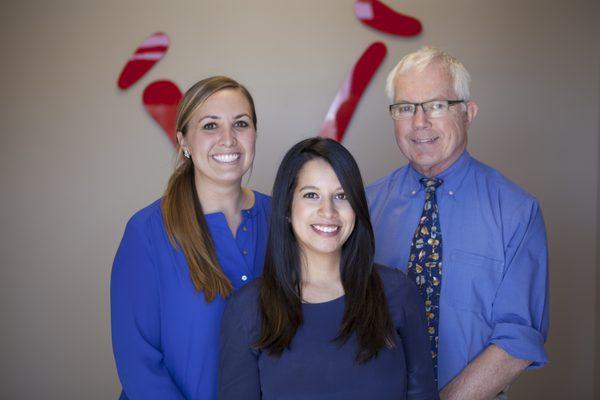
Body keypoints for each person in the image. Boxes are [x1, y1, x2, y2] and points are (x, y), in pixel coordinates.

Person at [366, 46, 549, 399]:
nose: (420, 122)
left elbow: (517, 337)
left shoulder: (515, 212)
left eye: (437, 105)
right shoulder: (364, 208)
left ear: (468, 112)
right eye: (406, 108)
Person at [219, 137, 438, 400]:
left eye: (341, 196)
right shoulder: (247, 310)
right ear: (287, 208)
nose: (328, 211)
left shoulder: (398, 293)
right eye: (311, 195)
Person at [111, 76, 271, 400]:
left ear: (254, 134)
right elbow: (139, 368)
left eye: (241, 123)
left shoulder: (283, 218)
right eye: (210, 126)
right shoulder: (147, 232)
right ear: (183, 141)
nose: (228, 139)